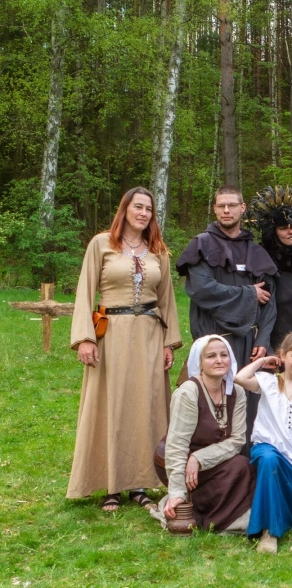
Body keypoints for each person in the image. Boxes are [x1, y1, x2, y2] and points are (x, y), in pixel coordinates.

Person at [68, 186, 182, 512]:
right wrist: (85, 338)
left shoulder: (158, 250)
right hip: (112, 335)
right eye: (138, 207)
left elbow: (167, 300)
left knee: (146, 405)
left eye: (149, 209)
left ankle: (140, 484)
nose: (143, 213)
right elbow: (85, 292)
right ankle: (111, 485)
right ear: (125, 209)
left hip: (149, 335)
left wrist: (169, 343)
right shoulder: (101, 244)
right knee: (112, 405)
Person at [176, 184, 278, 451]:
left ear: (242, 208)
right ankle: (209, 467)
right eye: (221, 205)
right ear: (214, 209)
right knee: (212, 409)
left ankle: (246, 468)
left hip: (249, 346)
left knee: (249, 410)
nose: (226, 210)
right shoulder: (201, 246)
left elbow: (270, 303)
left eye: (232, 205)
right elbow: (202, 290)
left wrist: (263, 340)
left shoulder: (256, 252)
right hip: (214, 344)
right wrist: (248, 293)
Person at [234, 332, 292, 554]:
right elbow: (239, 378)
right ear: (283, 355)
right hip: (266, 449)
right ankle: (270, 533)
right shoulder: (269, 381)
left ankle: (284, 515)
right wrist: (264, 360)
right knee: (269, 460)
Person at [158, 335, 255, 533]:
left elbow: (237, 440)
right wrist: (177, 492)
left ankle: (217, 517)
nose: (219, 360)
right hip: (183, 467)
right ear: (199, 362)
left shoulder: (236, 392)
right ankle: (197, 509)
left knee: (243, 466)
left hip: (213, 462)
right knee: (237, 469)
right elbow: (176, 446)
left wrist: (200, 458)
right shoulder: (188, 393)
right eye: (211, 356)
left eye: (224, 355)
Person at [246, 186, 292, 349]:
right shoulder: (263, 266)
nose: (291, 232)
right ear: (273, 232)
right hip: (274, 345)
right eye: (283, 228)